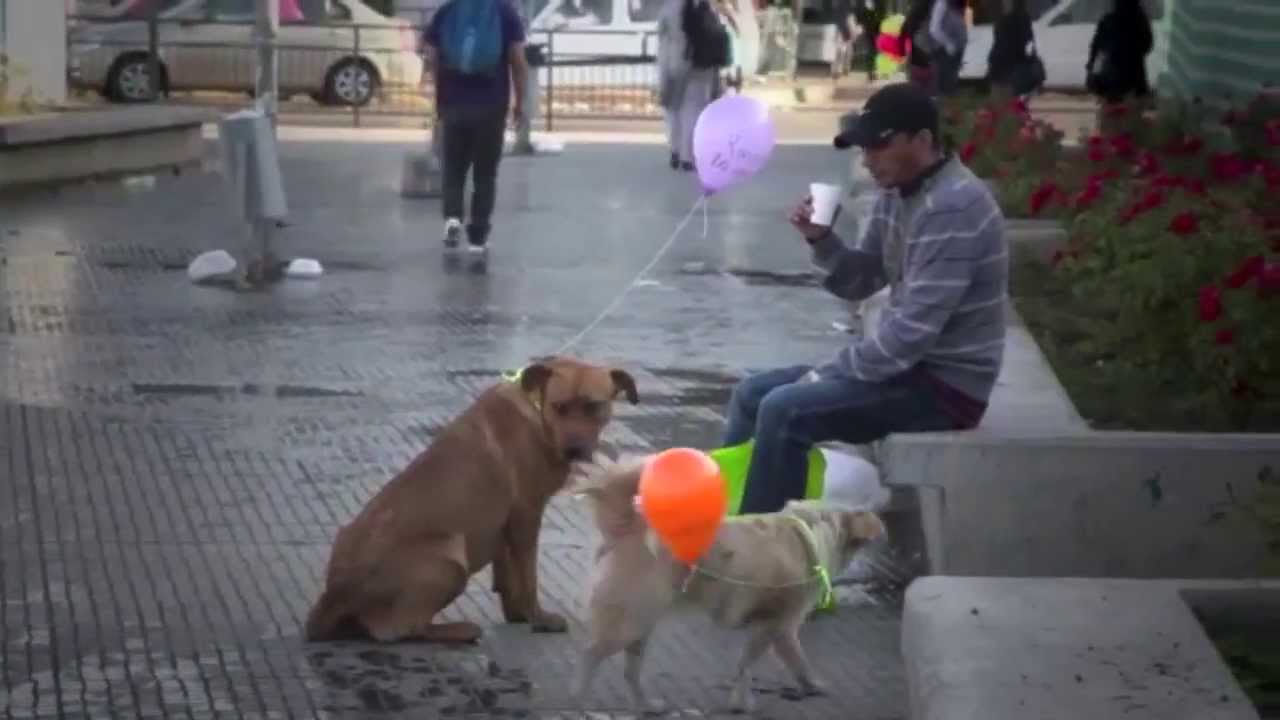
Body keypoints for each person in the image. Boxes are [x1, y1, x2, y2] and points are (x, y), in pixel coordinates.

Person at [723, 83, 1008, 515]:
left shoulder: (954, 207)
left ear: (923, 141)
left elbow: (911, 335)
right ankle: (724, 521)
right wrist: (822, 239)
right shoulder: (896, 194)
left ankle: (759, 559)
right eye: (863, 148)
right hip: (906, 373)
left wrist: (824, 375)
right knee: (751, 394)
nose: (868, 159)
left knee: (784, 410)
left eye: (879, 145)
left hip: (945, 388)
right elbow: (861, 282)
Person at [424, 0, 528, 253]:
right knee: (485, 174)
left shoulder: (448, 11)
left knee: (454, 169)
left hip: (453, 103)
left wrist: (438, 97)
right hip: (491, 105)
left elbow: (431, 57)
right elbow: (518, 61)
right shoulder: (505, 12)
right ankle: (478, 236)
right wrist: (520, 103)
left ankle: (452, 218)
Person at [658, 0, 726, 171]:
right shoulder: (704, 5)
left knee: (674, 109)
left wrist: (663, 70)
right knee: (693, 109)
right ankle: (687, 156)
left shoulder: (669, 8)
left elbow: (663, 39)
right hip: (700, 65)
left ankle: (675, 149)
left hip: (674, 63)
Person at [1086, 0, 1153, 107]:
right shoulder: (1140, 21)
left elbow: (1096, 50)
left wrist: (1091, 71)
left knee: (1110, 116)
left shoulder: (1107, 20)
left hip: (1109, 82)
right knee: (1131, 115)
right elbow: (1147, 45)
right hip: (1133, 81)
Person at [986, 0, 1036, 94]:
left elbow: (1001, 44)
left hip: (1004, 67)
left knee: (1002, 96)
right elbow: (1028, 40)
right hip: (1013, 65)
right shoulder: (1023, 17)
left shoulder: (1006, 20)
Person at [926, 0, 967, 96]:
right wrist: (948, 44)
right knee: (946, 84)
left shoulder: (954, 4)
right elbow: (934, 28)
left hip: (954, 48)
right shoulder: (942, 3)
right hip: (944, 50)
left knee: (952, 80)